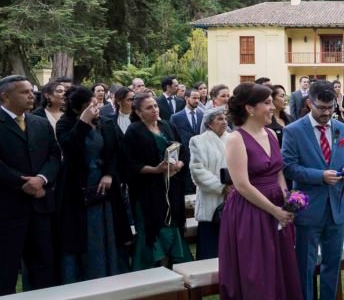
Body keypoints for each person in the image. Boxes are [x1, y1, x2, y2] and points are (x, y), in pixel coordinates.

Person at [218, 83, 313, 300]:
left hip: (276, 207)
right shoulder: (236, 139)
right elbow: (242, 185)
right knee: (255, 272)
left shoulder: (271, 133)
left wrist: (288, 201)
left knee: (279, 267)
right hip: (250, 212)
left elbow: (279, 173)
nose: (273, 107)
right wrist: (273, 210)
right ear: (250, 108)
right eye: (268, 103)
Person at [282, 81, 344, 300]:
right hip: (308, 207)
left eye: (331, 108)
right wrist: (319, 176)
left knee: (332, 260)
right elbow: (289, 167)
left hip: (336, 206)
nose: (327, 113)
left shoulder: (342, 130)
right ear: (309, 103)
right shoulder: (294, 131)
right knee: (305, 263)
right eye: (322, 108)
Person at [55, 87, 132, 281]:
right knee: (84, 232)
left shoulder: (106, 123)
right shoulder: (65, 124)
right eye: (90, 104)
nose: (95, 107)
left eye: (95, 104)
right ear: (78, 108)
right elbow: (69, 147)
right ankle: (85, 275)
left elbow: (115, 152)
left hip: (105, 185)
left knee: (109, 228)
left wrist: (109, 174)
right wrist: (82, 122)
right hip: (77, 187)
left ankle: (113, 270)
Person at [0, 76, 60, 295]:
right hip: (9, 206)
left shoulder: (39, 123)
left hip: (40, 204)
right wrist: (22, 183)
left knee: (43, 261)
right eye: (24, 92)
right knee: (6, 266)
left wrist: (42, 179)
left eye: (30, 91)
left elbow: (54, 155)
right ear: (5, 96)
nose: (31, 96)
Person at [122, 92, 192, 270]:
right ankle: (153, 267)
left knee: (172, 224)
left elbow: (183, 150)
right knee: (152, 226)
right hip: (148, 191)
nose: (154, 109)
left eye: (155, 105)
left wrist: (179, 164)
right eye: (149, 107)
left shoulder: (168, 125)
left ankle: (174, 263)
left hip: (171, 188)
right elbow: (130, 164)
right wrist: (155, 170)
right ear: (138, 112)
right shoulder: (134, 131)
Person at [188, 107, 230, 260]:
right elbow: (197, 171)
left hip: (232, 198)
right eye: (219, 119)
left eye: (225, 118)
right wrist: (221, 187)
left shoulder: (233, 139)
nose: (224, 121)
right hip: (210, 201)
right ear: (209, 124)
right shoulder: (198, 141)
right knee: (210, 249)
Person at [170, 89, 204, 159]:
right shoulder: (176, 117)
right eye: (194, 98)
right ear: (186, 98)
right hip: (184, 157)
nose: (197, 101)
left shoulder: (203, 115)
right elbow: (173, 139)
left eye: (198, 98)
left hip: (201, 155)